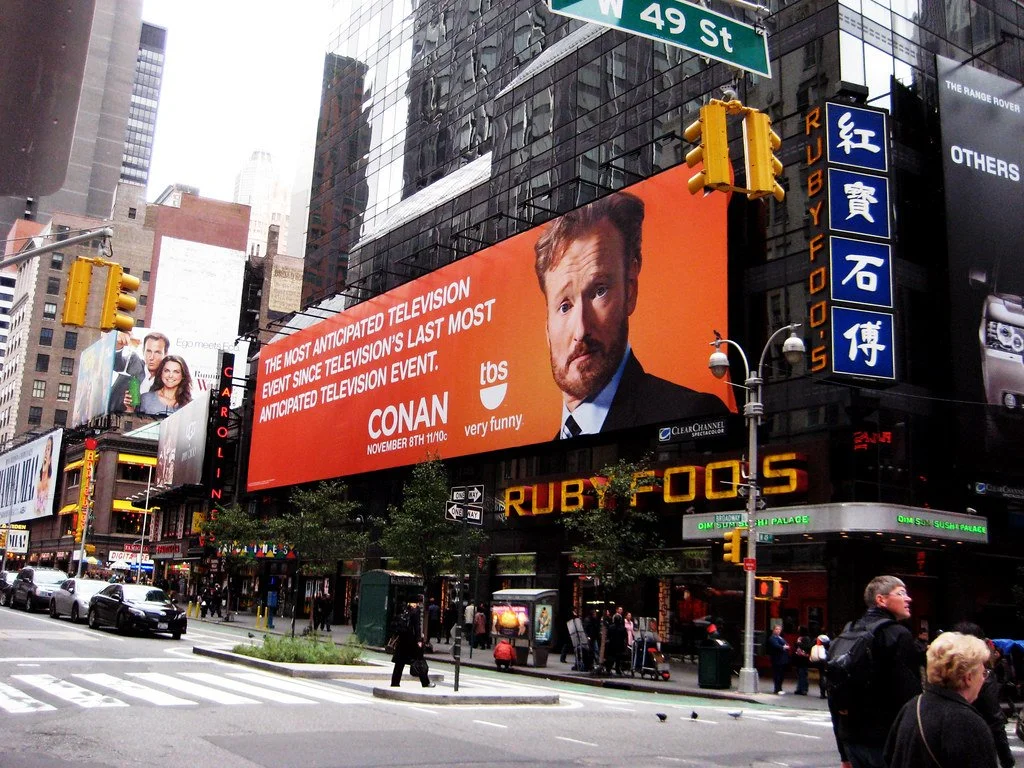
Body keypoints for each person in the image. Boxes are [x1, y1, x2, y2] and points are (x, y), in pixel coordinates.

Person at [533, 191, 727, 439]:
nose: (581, 330)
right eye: (564, 306)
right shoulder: (548, 451)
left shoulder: (692, 413)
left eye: (599, 291)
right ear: (547, 329)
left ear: (630, 290)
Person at [829, 575, 921, 768]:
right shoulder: (897, 634)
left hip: (851, 739)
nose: (908, 598)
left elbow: (834, 695)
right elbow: (910, 697)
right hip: (885, 741)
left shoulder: (848, 631)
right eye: (901, 593)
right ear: (881, 599)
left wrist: (843, 754)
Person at [884, 631, 999, 768]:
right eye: (983, 673)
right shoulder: (968, 723)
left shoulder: (912, 706)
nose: (983, 679)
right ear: (968, 678)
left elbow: (889, 757)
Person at [952, 622, 1015, 768]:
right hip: (974, 745)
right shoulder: (981, 675)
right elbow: (995, 720)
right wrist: (1007, 760)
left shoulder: (943, 672)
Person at [390, 609, 434, 688]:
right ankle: (425, 682)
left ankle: (395, 683)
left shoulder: (402, 611)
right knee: (420, 662)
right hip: (412, 642)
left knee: (399, 664)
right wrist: (419, 640)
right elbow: (417, 628)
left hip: (402, 642)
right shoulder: (415, 612)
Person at [109, 331, 145, 413]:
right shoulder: (134, 360)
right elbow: (117, 364)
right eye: (149, 350)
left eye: (157, 352)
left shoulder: (166, 377)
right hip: (114, 412)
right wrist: (118, 347)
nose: (152, 356)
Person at [767, 624, 791, 695]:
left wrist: (785, 646)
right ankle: (777, 689)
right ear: (774, 630)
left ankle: (780, 688)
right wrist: (783, 647)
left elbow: (787, 644)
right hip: (776, 659)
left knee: (781, 674)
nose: (778, 631)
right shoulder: (772, 638)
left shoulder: (780, 638)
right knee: (777, 674)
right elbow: (776, 645)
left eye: (779, 629)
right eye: (776, 629)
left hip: (783, 659)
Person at [34, 435, 54, 516]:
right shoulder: (37, 485)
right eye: (45, 449)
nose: (45, 452)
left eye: (48, 449)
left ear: (50, 459)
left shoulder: (50, 486)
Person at [793, 625, 813, 695]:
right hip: (799, 659)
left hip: (803, 659)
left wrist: (798, 643)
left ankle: (804, 689)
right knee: (800, 674)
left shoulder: (806, 638)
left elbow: (807, 647)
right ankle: (799, 688)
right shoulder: (800, 637)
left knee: (803, 674)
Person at [811, 633, 830, 698]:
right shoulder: (824, 648)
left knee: (822, 677)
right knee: (824, 678)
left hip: (819, 663)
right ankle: (824, 693)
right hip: (824, 664)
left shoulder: (815, 647)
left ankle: (822, 693)